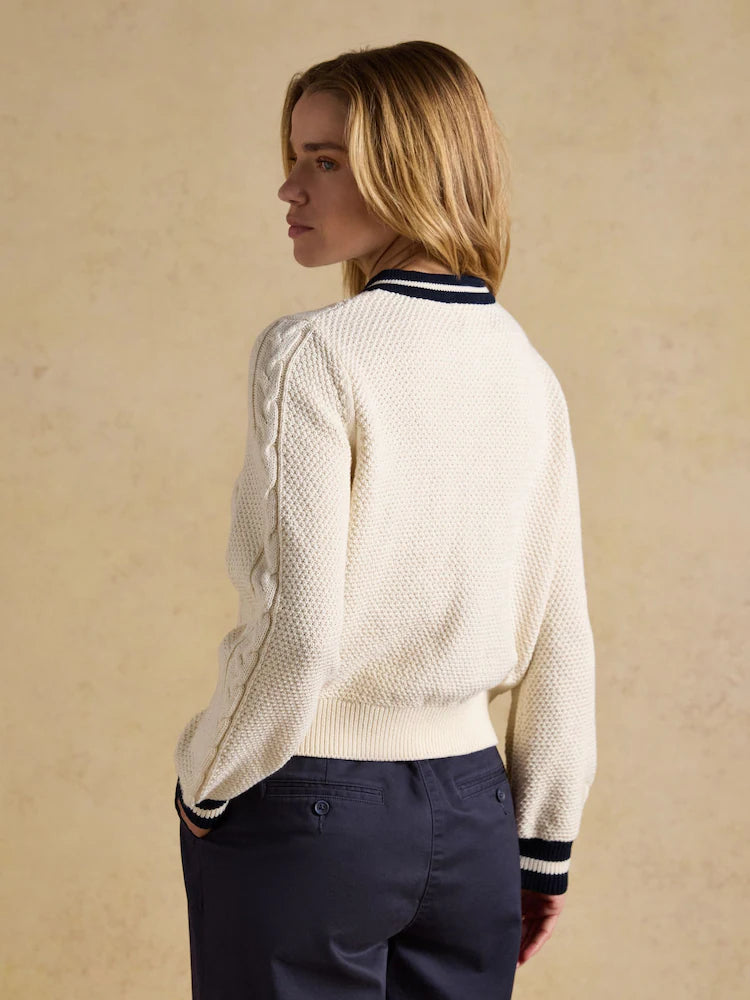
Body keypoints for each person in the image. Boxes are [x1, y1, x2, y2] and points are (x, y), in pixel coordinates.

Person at [174, 39, 596, 1000]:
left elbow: (296, 627)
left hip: (310, 804)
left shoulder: (313, 354)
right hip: (473, 814)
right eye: (295, 156)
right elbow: (562, 637)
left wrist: (209, 777)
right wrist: (543, 845)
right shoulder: (526, 370)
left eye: (325, 160)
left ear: (415, 169)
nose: (289, 187)